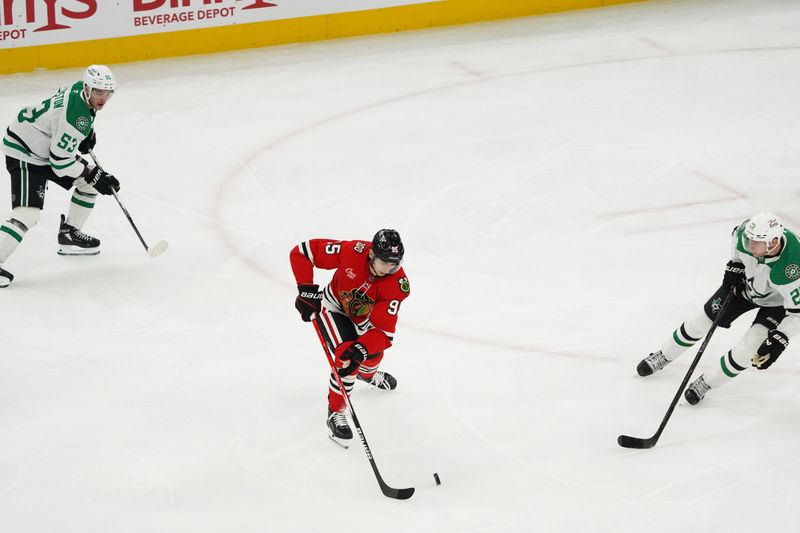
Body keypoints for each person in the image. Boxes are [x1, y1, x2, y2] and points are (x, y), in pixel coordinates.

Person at [637, 212, 800, 404]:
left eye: (756, 242)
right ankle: (664, 355)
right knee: (700, 321)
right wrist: (735, 264)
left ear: (773, 243)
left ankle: (707, 382)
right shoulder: (746, 235)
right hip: (745, 289)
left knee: (749, 348)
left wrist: (781, 337)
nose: (749, 246)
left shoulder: (792, 269)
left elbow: (797, 313)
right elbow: (737, 235)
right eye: (749, 240)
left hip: (778, 305)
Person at [0, 64, 121, 287]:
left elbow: (61, 92)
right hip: (25, 151)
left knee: (89, 186)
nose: (102, 98)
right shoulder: (76, 118)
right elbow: (60, 164)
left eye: (107, 93)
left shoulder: (77, 89)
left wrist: (86, 135)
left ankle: (69, 233)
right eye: (97, 92)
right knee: (28, 215)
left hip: (45, 147)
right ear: (87, 88)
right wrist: (93, 174)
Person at [290, 229, 411, 445]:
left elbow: (383, 332)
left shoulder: (397, 285)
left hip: (364, 320)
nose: (390, 268)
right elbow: (302, 252)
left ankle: (368, 374)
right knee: (346, 360)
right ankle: (336, 411)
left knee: (372, 355)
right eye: (385, 262)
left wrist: (362, 350)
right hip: (334, 308)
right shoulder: (352, 251)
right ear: (372, 254)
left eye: (395, 263)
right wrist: (306, 289)